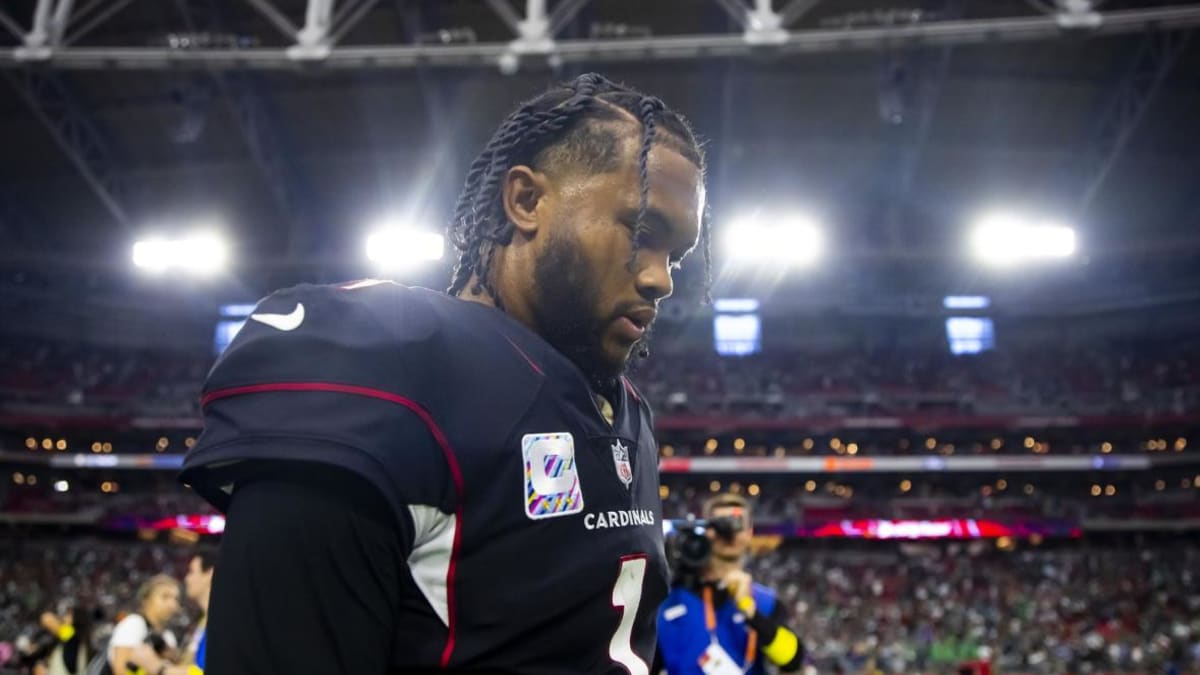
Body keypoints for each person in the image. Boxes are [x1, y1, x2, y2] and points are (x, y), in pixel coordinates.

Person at [179, 72, 710, 674]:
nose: (661, 278)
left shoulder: (626, 412)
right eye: (642, 233)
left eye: (675, 255)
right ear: (526, 201)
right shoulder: (389, 371)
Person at [656, 493, 804, 675]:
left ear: (750, 533)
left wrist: (751, 612)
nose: (729, 532)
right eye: (720, 524)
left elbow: (792, 659)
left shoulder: (765, 602)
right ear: (707, 530)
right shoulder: (668, 603)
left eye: (737, 524)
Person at [127, 552, 214, 675]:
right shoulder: (204, 622)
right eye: (165, 597)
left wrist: (158, 667)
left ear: (210, 574)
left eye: (191, 571)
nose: (187, 578)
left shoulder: (220, 624)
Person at [104, 575, 180, 675]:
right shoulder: (134, 623)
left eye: (176, 599)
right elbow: (120, 669)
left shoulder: (168, 636)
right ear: (146, 600)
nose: (172, 604)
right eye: (165, 597)